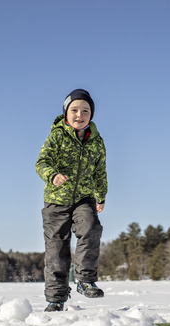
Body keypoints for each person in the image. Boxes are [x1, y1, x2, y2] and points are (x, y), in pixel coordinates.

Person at [35, 89, 108, 312]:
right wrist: (53, 175)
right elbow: (41, 162)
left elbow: (100, 172)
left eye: (85, 111)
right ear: (66, 113)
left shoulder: (97, 142)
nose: (79, 115)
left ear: (91, 115)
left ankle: (85, 281)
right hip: (56, 201)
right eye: (74, 110)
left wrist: (101, 196)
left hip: (84, 199)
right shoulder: (57, 136)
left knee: (91, 228)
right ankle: (56, 298)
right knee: (56, 248)